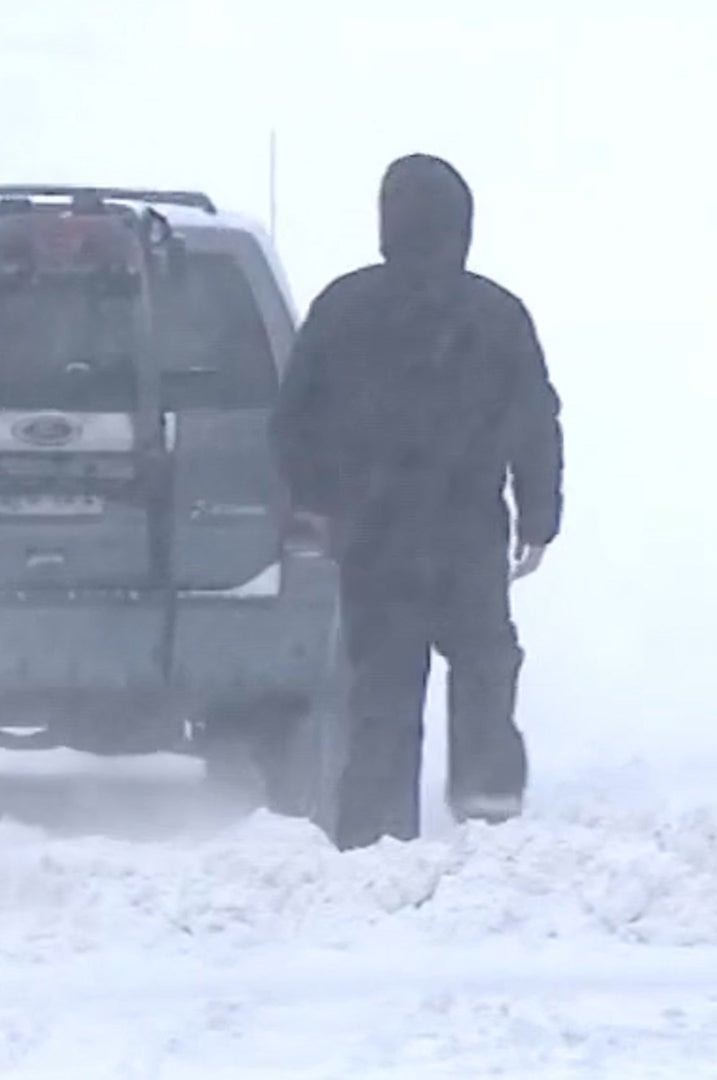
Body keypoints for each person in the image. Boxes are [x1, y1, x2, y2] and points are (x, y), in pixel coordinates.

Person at [271, 154, 564, 852]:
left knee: (382, 692)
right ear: (464, 224)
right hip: (470, 535)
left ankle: (374, 838)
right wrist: (538, 518)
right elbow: (536, 422)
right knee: (484, 675)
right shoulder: (497, 314)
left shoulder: (344, 307)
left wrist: (316, 503)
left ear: (386, 222)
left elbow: (293, 422)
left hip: (375, 536)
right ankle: (490, 824)